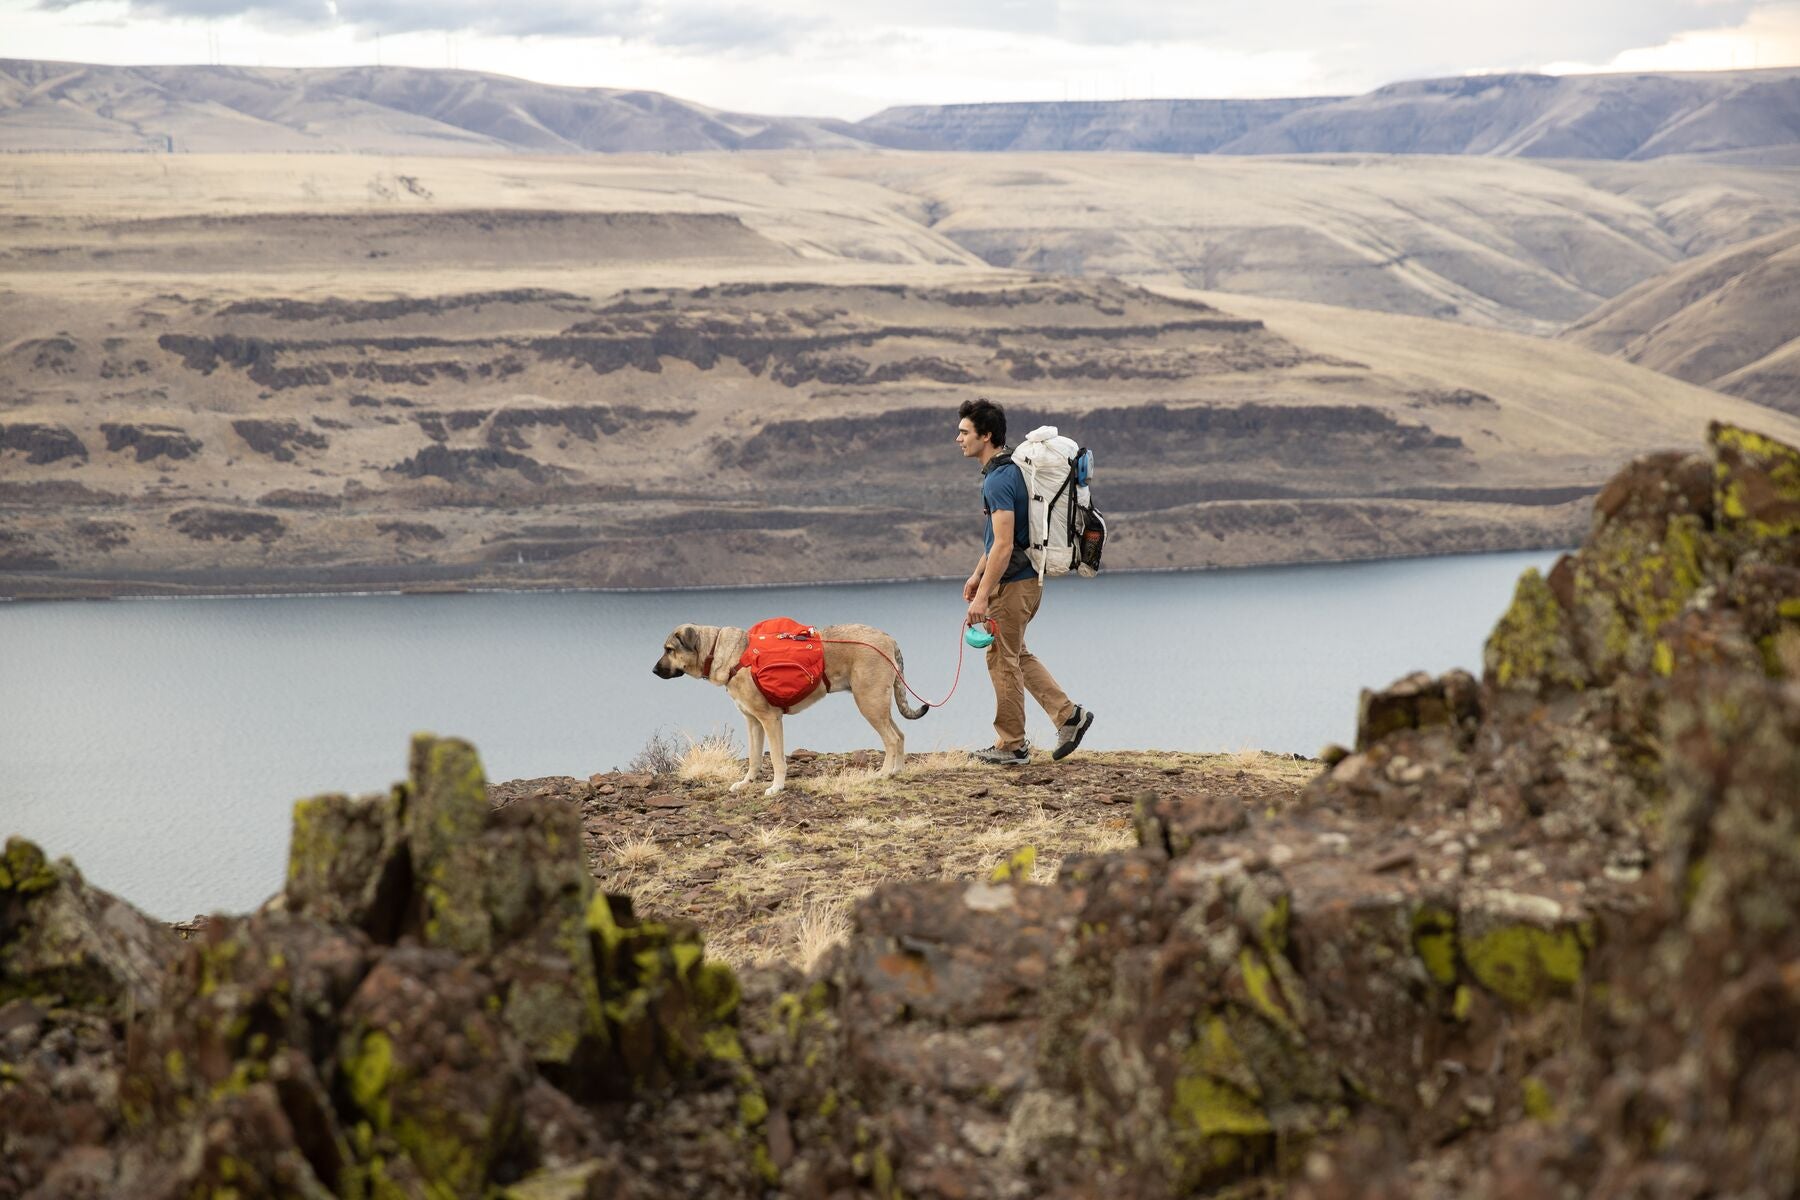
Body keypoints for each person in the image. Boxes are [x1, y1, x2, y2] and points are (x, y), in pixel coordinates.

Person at [955, 397, 1095, 765]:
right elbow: (1000, 538)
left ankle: (1012, 744)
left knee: (1002, 660)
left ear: (986, 436)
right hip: (1028, 581)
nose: (959, 438)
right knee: (1015, 654)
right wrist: (976, 573)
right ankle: (1069, 716)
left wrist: (982, 597)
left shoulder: (999, 479)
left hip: (1012, 585)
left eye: (965, 432)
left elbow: (1003, 545)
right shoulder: (1009, 470)